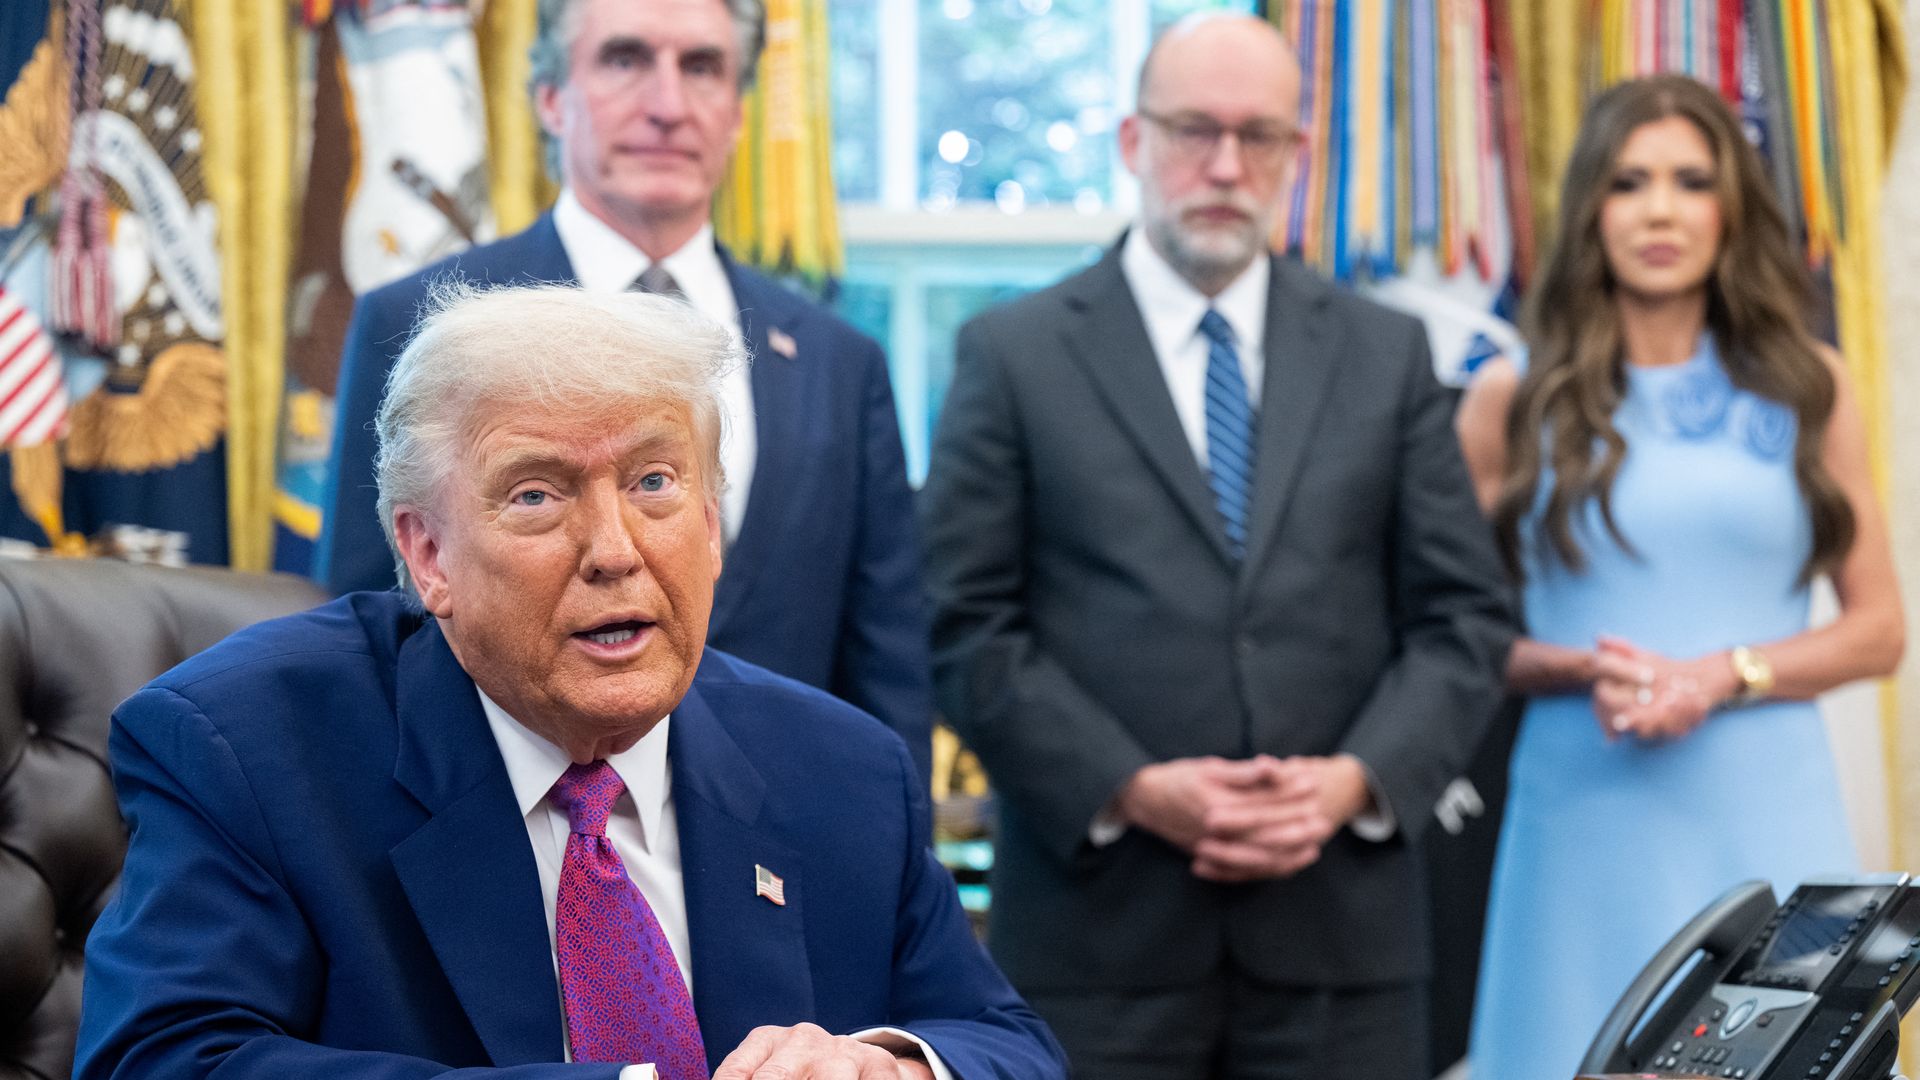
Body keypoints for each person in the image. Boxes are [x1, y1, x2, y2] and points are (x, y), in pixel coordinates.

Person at [74, 284, 1066, 1080]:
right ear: (429, 556)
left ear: (712, 525)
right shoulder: (249, 748)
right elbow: (163, 1059)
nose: (615, 551)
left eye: (655, 484)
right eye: (538, 495)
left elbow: (1007, 1043)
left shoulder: (839, 769)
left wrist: (894, 1067)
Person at [918, 14, 1516, 1080]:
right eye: (1195, 130)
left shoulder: (1387, 357)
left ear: (1299, 157)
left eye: (1260, 137)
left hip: (1343, 942)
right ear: (1132, 142)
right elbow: (961, 623)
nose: (1226, 166)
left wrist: (1353, 782)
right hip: (1098, 945)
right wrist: (1131, 787)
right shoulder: (1013, 355)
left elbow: (1463, 618)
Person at [315, 0, 932, 784]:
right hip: (506, 841)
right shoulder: (421, 323)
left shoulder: (838, 361)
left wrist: (891, 863)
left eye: (701, 67)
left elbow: (888, 665)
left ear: (739, 112)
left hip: (786, 854)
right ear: (549, 98)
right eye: (624, 59)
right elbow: (371, 626)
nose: (668, 105)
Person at [1457, 74, 1906, 1080]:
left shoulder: (1810, 384)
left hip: (1772, 812)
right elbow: (1454, 637)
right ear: (1590, 211)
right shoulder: (1508, 397)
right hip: (1580, 815)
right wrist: (1583, 669)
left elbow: (1880, 631)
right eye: (1629, 182)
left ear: (1730, 207)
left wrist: (1717, 676)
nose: (1660, 208)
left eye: (1691, 181)